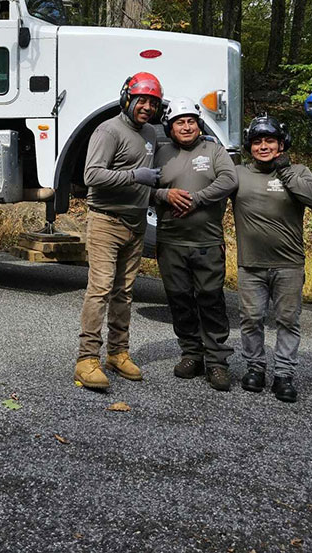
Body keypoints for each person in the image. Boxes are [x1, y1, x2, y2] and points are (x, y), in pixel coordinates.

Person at [74, 72, 163, 390]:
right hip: (106, 221)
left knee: (124, 293)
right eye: (142, 100)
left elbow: (149, 175)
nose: (147, 107)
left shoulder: (151, 132)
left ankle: (118, 352)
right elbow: (92, 175)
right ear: (127, 98)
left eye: (152, 102)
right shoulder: (108, 129)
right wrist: (135, 176)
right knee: (99, 290)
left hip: (136, 223)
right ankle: (86, 359)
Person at [232, 114, 312, 403]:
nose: (263, 146)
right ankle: (255, 368)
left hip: (289, 265)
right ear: (250, 146)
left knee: (287, 320)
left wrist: (284, 172)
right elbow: (208, 192)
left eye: (269, 140)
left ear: (281, 144)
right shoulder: (239, 173)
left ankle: (284, 375)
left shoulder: (298, 171)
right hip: (251, 264)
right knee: (251, 319)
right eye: (257, 141)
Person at [152, 97, 238, 391]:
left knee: (211, 300)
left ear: (198, 124)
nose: (186, 127)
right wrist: (166, 196)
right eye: (179, 122)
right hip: (171, 242)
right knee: (180, 301)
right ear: (170, 127)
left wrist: (196, 199)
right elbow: (145, 188)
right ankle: (191, 354)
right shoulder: (160, 153)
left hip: (207, 242)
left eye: (190, 121)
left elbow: (229, 180)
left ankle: (217, 362)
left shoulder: (213, 150)